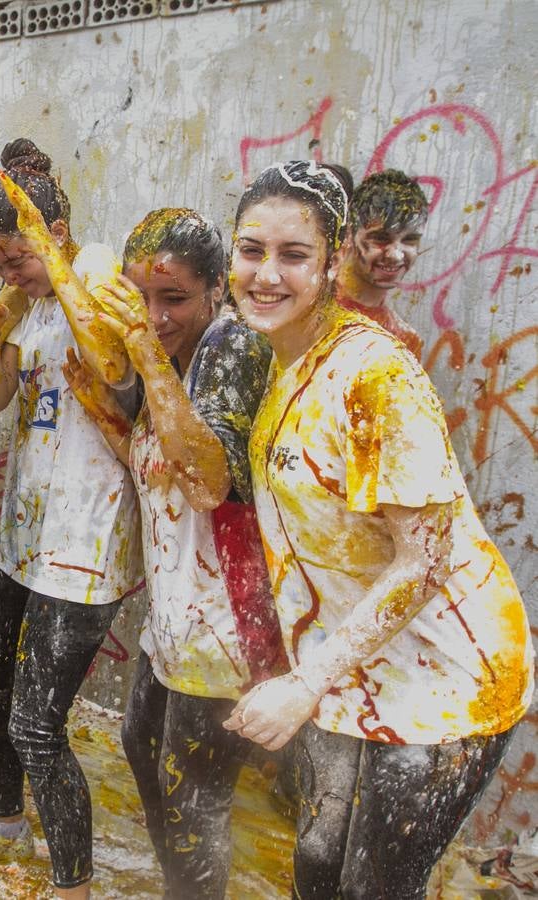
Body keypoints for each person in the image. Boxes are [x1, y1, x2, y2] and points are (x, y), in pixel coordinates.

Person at [220, 160, 533, 899]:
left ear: (332, 263)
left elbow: (426, 560)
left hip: (446, 677)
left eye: (293, 255)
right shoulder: (279, 355)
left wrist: (303, 683)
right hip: (351, 664)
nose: (265, 275)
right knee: (316, 864)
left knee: (374, 888)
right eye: (250, 249)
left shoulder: (374, 374)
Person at [0, 140, 139, 900]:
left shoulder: (101, 273)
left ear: (56, 229)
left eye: (16, 257)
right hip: (19, 536)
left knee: (37, 726)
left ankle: (71, 884)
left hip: (85, 548)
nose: (7, 274)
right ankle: (4, 817)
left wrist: (47, 268)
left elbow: (115, 367)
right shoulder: (31, 302)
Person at [79, 208, 285, 898]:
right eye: (137, 297)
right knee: (140, 746)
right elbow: (152, 461)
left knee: (196, 800)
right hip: (177, 610)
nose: (154, 315)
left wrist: (139, 350)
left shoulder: (231, 348)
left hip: (225, 618)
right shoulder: (168, 356)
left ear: (216, 290)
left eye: (173, 298)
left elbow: (205, 480)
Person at [335, 168, 428, 358]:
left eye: (409, 240)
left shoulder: (405, 341)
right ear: (349, 234)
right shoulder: (307, 308)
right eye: (380, 238)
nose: (395, 255)